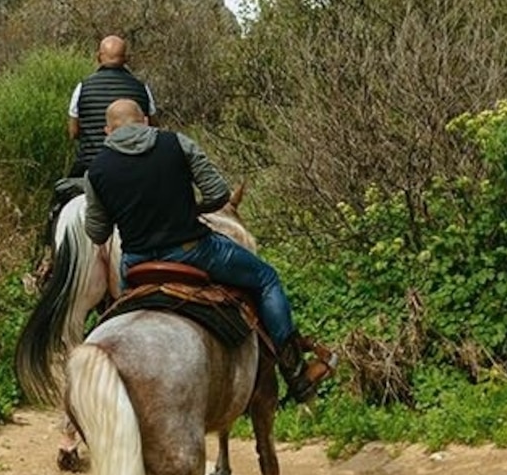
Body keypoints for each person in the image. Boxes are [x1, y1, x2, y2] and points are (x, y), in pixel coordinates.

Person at [78, 96, 330, 405]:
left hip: (137, 263)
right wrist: (190, 210)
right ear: (145, 121)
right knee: (266, 278)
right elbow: (218, 193)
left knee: (118, 312)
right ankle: (295, 370)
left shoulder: (96, 171)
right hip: (193, 250)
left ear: (108, 131)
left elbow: (97, 232)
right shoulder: (177, 143)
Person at [63, 35, 157, 172]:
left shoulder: (83, 87)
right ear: (126, 59)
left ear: (98, 57)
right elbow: (153, 127)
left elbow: (73, 132)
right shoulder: (141, 87)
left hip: (92, 166)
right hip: (135, 165)